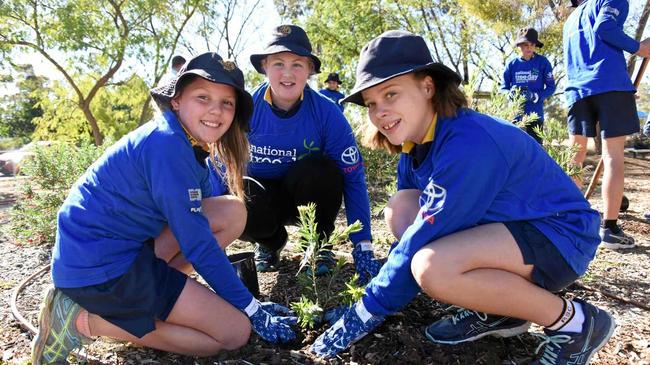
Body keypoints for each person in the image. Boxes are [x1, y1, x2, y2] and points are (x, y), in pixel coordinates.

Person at [310, 30, 614, 365]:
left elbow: (423, 238)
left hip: (560, 237)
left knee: (432, 268)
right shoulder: (415, 144)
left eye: (391, 94)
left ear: (428, 87)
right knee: (401, 208)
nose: (380, 112)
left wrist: (367, 309)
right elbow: (413, 227)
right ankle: (503, 311)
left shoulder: (468, 143)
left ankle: (577, 323)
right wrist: (376, 294)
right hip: (513, 228)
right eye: (371, 103)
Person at [31, 52, 298, 365]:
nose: (216, 110)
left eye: (227, 102)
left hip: (111, 250)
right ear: (176, 101)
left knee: (233, 211)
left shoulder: (186, 141)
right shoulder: (167, 146)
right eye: (203, 97)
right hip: (102, 269)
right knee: (234, 332)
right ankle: (78, 319)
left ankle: (159, 297)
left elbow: (206, 206)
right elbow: (198, 245)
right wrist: (251, 308)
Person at [212, 24, 381, 282]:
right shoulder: (244, 110)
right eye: (278, 63)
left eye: (297, 65)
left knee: (320, 169)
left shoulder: (328, 114)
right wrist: (215, 247)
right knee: (240, 191)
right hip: (264, 203)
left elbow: (353, 178)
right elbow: (218, 171)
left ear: (310, 70)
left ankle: (317, 245)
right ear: (264, 67)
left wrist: (363, 247)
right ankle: (270, 244)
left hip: (308, 199)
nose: (287, 73)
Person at [563, 0, 650, 249]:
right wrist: (639, 48)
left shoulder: (571, 19)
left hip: (578, 90)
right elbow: (605, 28)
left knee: (575, 157)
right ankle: (609, 229)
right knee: (613, 157)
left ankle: (568, 221)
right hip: (609, 86)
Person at [501, 27, 556, 144]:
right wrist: (509, 94)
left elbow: (551, 87)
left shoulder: (543, 62)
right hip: (515, 117)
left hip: (535, 116)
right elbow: (503, 88)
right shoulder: (511, 64)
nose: (529, 47)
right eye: (525, 44)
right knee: (516, 151)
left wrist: (535, 96)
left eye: (532, 44)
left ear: (535, 45)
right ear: (519, 45)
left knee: (536, 151)